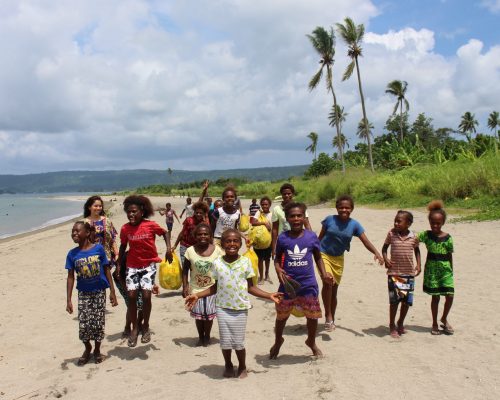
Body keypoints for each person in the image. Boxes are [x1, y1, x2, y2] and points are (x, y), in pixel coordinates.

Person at [185, 229, 281, 379]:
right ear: (222, 244)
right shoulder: (217, 263)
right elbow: (214, 288)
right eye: (228, 241)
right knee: (225, 341)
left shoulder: (245, 262)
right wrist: (197, 295)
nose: (232, 244)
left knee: (238, 341)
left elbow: (251, 287)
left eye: (235, 241)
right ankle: (228, 364)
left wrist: (269, 295)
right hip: (222, 307)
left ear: (240, 243)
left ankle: (242, 365)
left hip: (240, 308)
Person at [270, 203, 334, 359]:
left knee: (312, 316)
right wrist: (278, 269)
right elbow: (277, 259)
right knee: (281, 316)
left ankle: (311, 342)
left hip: (308, 285)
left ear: (304, 217)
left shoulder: (311, 236)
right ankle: (278, 340)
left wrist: (324, 274)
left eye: (299, 215)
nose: (296, 219)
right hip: (288, 285)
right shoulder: (283, 238)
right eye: (292, 216)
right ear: (287, 218)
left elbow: (318, 257)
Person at [319, 195, 384, 331]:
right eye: (341, 207)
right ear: (337, 208)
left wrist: (376, 253)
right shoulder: (329, 220)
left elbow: (365, 241)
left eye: (347, 207)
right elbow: (320, 238)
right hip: (323, 253)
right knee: (327, 282)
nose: (344, 210)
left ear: (352, 209)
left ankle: (332, 318)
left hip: (338, 258)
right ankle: (328, 315)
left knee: (334, 290)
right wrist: (312, 251)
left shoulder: (354, 225)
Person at [117, 195, 172, 347]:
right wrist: (119, 265)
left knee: (147, 296)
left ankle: (145, 326)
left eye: (134, 211)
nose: (131, 215)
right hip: (132, 266)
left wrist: (168, 249)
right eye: (128, 212)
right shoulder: (125, 228)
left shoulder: (150, 225)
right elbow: (123, 246)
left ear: (142, 211)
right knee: (132, 296)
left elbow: (165, 233)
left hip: (148, 265)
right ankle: (135, 328)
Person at [66, 221, 118, 365]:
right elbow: (70, 277)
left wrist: (112, 291)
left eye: (77, 231)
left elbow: (107, 270)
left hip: (99, 291)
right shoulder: (72, 254)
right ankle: (87, 347)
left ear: (87, 233)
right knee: (84, 324)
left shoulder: (99, 249)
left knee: (98, 323)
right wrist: (68, 299)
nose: (74, 233)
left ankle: (96, 349)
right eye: (73, 231)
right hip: (83, 293)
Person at [417, 200, 455, 336]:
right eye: (432, 223)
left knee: (450, 295)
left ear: (443, 222)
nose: (435, 225)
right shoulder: (426, 235)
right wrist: (418, 262)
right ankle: (434, 323)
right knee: (436, 298)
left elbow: (450, 255)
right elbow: (413, 241)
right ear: (429, 222)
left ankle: (444, 318)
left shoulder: (448, 238)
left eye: (438, 223)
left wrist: (451, 270)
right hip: (432, 272)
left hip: (446, 272)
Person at [182, 223, 223, 346]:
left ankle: (207, 336)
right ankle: (200, 337)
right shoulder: (189, 251)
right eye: (199, 234)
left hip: (212, 288)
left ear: (210, 236)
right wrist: (185, 286)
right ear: (195, 236)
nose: (203, 236)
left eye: (206, 234)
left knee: (208, 316)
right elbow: (185, 270)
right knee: (199, 316)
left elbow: (222, 270)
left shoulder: (218, 251)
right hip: (195, 289)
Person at [381, 210, 421, 338]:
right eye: (395, 220)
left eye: (399, 221)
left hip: (408, 274)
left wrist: (419, 265)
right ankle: (392, 325)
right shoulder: (391, 234)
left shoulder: (414, 236)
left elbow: (417, 251)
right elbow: (384, 248)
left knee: (405, 301)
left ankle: (400, 322)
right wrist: (385, 258)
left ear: (408, 223)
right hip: (394, 273)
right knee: (394, 301)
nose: (396, 223)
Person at [271, 183, 312, 258]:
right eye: (284, 194)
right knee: (284, 265)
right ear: (281, 195)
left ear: (293, 194)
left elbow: (307, 224)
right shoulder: (276, 209)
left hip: (300, 240)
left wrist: (311, 239)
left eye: (289, 193)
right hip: (284, 242)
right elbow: (274, 229)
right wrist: (273, 248)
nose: (287, 196)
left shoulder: (300, 208)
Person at [173, 201, 209, 265]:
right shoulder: (188, 220)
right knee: (185, 267)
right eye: (197, 212)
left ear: (204, 213)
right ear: (194, 212)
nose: (198, 214)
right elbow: (182, 233)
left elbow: (207, 237)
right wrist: (175, 245)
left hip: (196, 247)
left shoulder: (205, 224)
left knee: (194, 267)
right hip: (185, 245)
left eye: (200, 213)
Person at [250, 196, 273, 284]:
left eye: (266, 204)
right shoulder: (258, 213)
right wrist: (263, 222)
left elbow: (274, 228)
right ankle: (261, 277)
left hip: (269, 241)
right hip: (259, 241)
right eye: (263, 204)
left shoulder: (272, 214)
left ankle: (267, 275)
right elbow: (253, 222)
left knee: (267, 259)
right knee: (260, 259)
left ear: (270, 205)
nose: (264, 206)